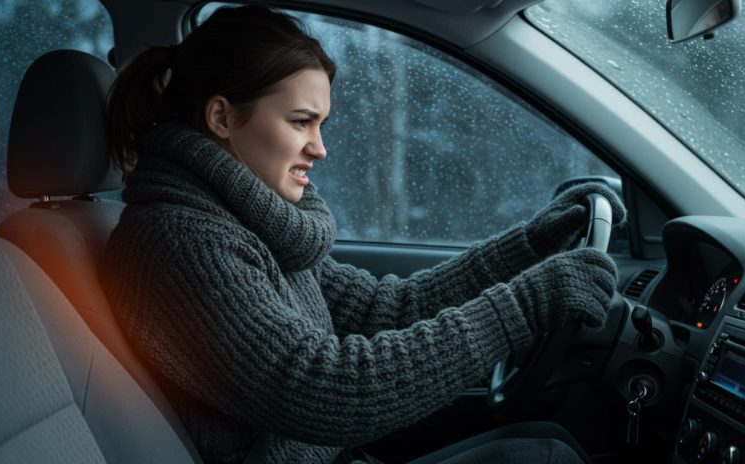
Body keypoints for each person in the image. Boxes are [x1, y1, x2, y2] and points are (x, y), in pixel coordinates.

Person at [102, 5, 626, 464]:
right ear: (221, 116)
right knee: (547, 454)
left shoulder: (244, 220)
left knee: (546, 444)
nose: (320, 148)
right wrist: (528, 305)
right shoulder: (178, 241)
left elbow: (386, 309)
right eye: (302, 122)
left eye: (322, 124)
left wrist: (530, 244)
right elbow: (327, 389)